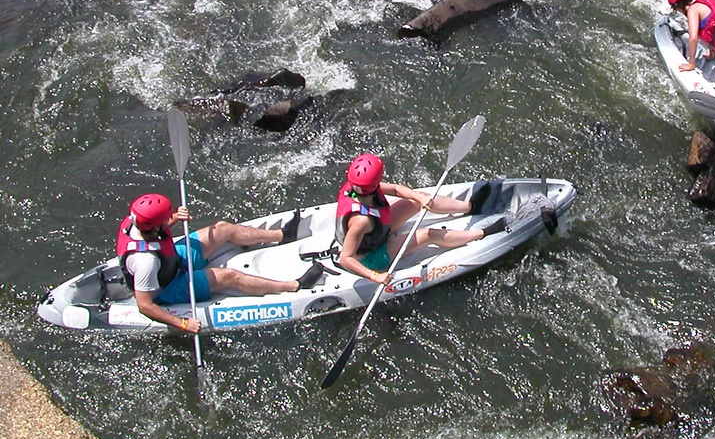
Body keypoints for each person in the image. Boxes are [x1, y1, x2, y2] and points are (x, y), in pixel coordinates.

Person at [117, 193, 324, 333]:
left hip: (173, 260)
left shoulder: (135, 223)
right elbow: (145, 305)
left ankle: (282, 235)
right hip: (168, 288)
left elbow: (156, 231)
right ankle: (294, 285)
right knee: (229, 276)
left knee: (223, 228)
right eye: (166, 219)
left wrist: (174, 219)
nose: (168, 219)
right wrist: (182, 323)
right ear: (155, 224)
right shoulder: (146, 262)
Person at [334, 153, 505, 284]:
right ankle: (482, 233)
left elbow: (394, 190)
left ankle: (470, 207)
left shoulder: (355, 187)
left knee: (417, 198)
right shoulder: (360, 222)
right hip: (370, 256)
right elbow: (345, 258)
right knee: (428, 234)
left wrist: (420, 198)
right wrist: (375, 276)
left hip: (376, 231)